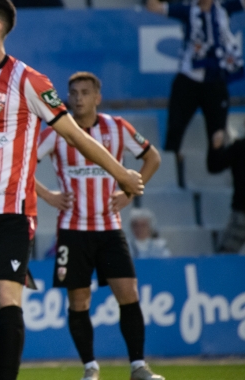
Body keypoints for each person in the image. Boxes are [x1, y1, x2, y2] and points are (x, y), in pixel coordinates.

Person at [0, 2, 144, 379]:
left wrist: (121, 173)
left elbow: (73, 134)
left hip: (12, 212)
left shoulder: (28, 80)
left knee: (6, 295)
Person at [35, 72, 164, 380]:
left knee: (128, 293)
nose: (78, 98)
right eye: (73, 93)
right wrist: (49, 195)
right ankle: (90, 368)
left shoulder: (117, 128)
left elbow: (153, 158)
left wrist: (131, 189)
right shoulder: (55, 131)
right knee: (78, 300)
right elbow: (23, 165)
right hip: (72, 230)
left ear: (97, 97)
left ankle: (138, 366)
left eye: (84, 92)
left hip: (109, 228)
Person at [146, 0, 243, 167]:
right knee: (175, 130)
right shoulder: (186, 10)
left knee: (218, 137)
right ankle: (172, 171)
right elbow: (153, 7)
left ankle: (221, 168)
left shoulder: (225, 8)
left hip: (216, 81)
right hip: (189, 79)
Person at [208, 129, 245, 253]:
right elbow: (214, 166)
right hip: (241, 213)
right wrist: (216, 147)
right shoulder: (240, 147)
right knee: (226, 256)